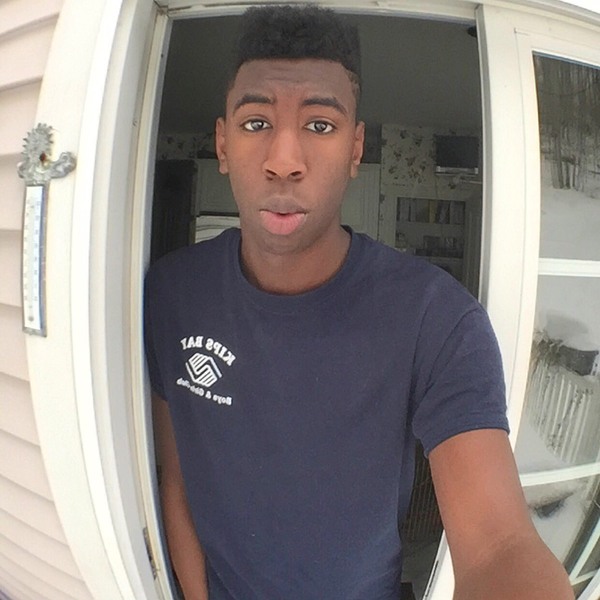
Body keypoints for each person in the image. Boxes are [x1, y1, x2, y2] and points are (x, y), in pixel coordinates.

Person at [144, 5, 573, 599]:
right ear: (222, 144)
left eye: (320, 125)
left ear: (355, 149)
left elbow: (499, 545)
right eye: (255, 122)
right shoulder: (171, 294)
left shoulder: (435, 320)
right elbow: (177, 480)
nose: (284, 161)